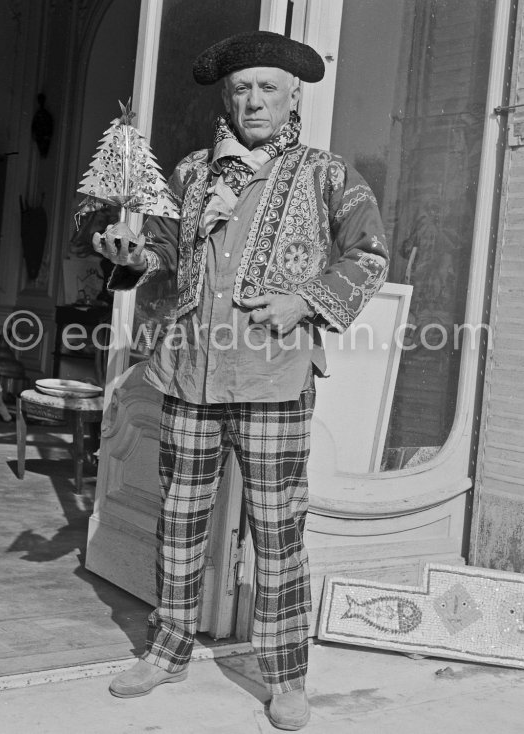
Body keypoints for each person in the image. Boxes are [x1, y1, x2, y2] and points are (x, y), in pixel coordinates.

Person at [93, 30, 389, 731]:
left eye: (266, 88)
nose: (251, 101)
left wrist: (304, 300)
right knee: (180, 523)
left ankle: (285, 678)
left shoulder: (327, 173)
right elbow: (159, 253)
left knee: (277, 534)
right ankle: (166, 652)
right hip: (191, 374)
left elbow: (369, 256)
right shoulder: (196, 172)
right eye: (241, 89)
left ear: (293, 98)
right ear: (227, 98)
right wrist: (129, 255)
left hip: (274, 378)